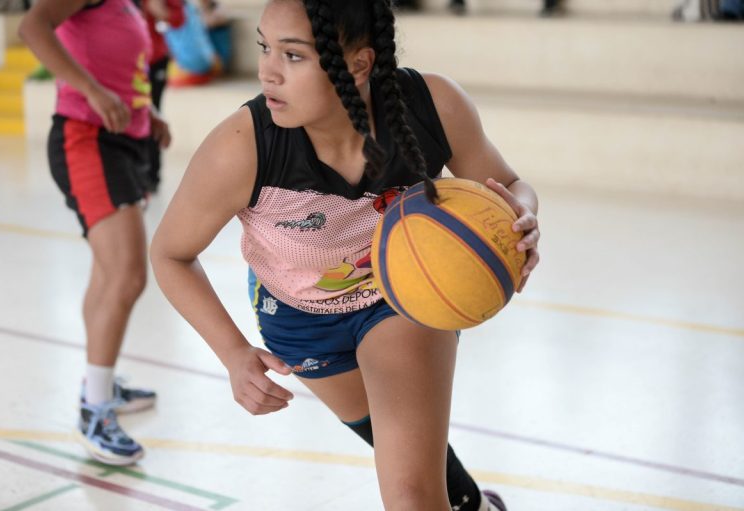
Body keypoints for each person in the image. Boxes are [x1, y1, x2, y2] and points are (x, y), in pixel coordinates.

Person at [151, 0, 539, 509]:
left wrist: (522, 218)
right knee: (395, 440)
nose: (267, 71)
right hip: (297, 317)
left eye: (293, 56)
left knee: (409, 493)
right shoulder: (242, 146)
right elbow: (169, 254)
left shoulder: (430, 106)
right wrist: (233, 353)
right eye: (266, 47)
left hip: (400, 299)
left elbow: (508, 184)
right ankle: (477, 505)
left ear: (359, 63)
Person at [19, 0, 172, 466]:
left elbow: (122, 66)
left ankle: (98, 381)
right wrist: (90, 90)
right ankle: (94, 409)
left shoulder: (126, 4)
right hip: (86, 138)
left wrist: (148, 116)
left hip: (125, 142)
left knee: (109, 273)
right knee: (127, 276)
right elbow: (32, 27)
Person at [140, 0, 185, 192]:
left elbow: (179, 18)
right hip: (125, 61)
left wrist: (162, 11)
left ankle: (152, 175)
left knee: (153, 114)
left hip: (154, 58)